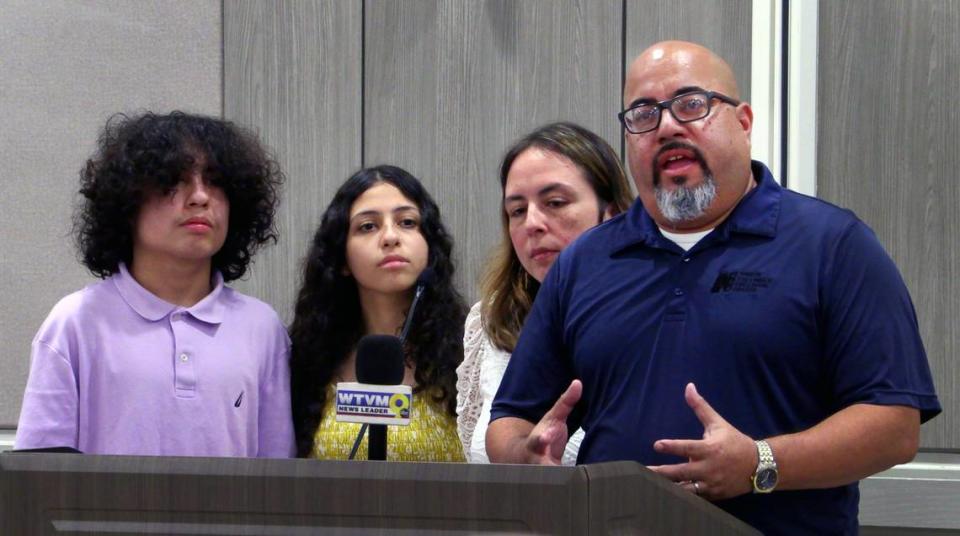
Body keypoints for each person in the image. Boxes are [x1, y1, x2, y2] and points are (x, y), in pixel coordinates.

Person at [486, 41, 941, 534]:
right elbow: (510, 419)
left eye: (691, 104)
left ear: (743, 122)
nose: (666, 126)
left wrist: (760, 462)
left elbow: (894, 425)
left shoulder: (833, 245)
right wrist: (525, 456)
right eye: (643, 114)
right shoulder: (585, 261)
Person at [15, 111, 294, 457]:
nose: (200, 197)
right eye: (174, 180)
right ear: (129, 200)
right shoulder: (75, 323)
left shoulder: (262, 329)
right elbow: (41, 482)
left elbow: (278, 484)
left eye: (215, 181)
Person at [456, 122, 634, 463]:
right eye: (517, 211)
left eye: (554, 202)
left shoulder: (647, 309)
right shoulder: (490, 318)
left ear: (611, 213)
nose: (532, 224)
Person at [289, 165, 468, 461]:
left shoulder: (467, 355)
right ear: (342, 258)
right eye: (368, 226)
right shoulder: (306, 362)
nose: (390, 237)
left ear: (429, 247)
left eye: (407, 222)